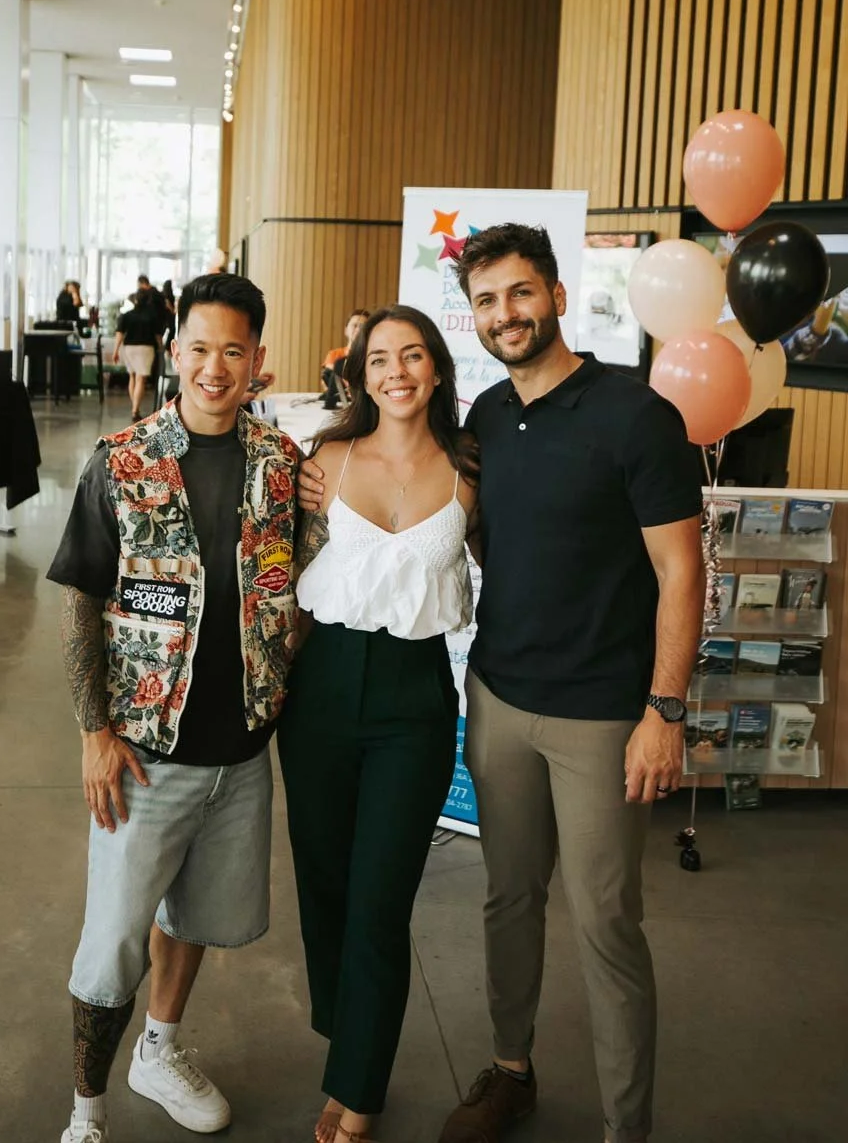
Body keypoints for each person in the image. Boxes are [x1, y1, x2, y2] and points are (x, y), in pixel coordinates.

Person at [299, 224, 704, 1143]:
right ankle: (511, 1070)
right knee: (507, 898)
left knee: (606, 922)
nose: (506, 314)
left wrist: (665, 709)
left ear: (558, 295)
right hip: (497, 698)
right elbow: (474, 547)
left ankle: (624, 1126)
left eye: (521, 294)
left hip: (605, 714)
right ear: (471, 319)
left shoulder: (635, 415)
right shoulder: (482, 425)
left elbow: (683, 571)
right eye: (487, 301)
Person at [46, 272, 301, 1143]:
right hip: (146, 751)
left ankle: (160, 1049)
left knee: (193, 916)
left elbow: (312, 581)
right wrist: (92, 733)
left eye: (235, 350)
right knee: (114, 939)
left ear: (258, 359)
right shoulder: (121, 460)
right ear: (174, 350)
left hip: (241, 752)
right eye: (199, 348)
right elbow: (81, 598)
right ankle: (86, 1114)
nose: (215, 367)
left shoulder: (283, 465)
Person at [282, 305, 478, 1143]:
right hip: (321, 683)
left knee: (379, 901)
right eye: (379, 360)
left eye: (413, 355)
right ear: (360, 377)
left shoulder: (473, 469)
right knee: (324, 885)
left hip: (416, 699)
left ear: (436, 367)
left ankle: (359, 1092)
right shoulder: (326, 460)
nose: (397, 371)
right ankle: (350, 1030)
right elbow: (282, 573)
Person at [113, 289, 162, 422]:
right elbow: (158, 335)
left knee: (132, 376)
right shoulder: (152, 316)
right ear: (148, 301)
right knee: (141, 379)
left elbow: (120, 334)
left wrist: (116, 351)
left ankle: (135, 407)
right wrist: (161, 348)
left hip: (129, 348)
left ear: (135, 300)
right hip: (146, 348)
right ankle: (135, 410)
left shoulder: (127, 315)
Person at [322, 309, 369, 408]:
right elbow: (327, 382)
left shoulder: (372, 356)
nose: (358, 330)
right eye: (355, 325)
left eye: (362, 327)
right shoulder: (334, 354)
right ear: (346, 330)